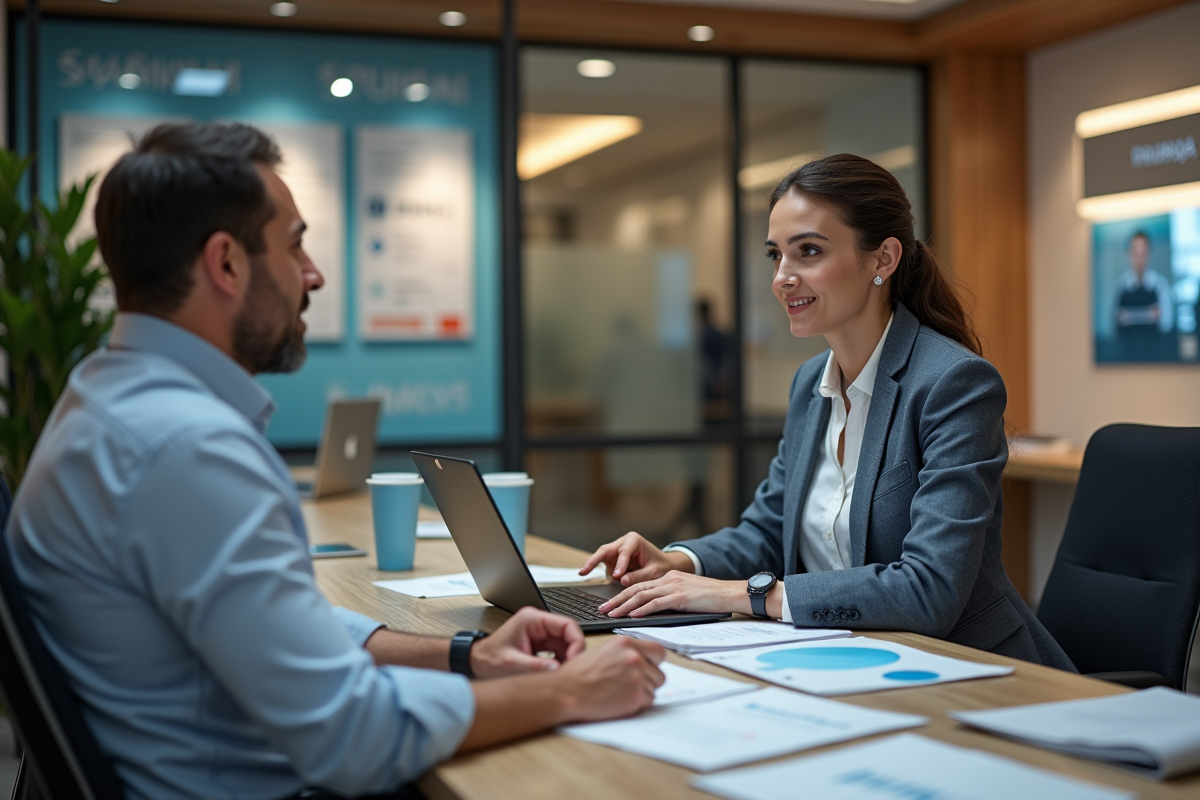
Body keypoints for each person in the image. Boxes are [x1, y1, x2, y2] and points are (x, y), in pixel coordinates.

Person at [6, 122, 666, 800]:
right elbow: (353, 739)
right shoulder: (189, 449)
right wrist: (570, 690)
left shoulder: (101, 397)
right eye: (295, 245)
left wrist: (467, 654)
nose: (314, 273)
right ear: (226, 263)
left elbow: (288, 628)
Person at [580, 153, 1074, 671]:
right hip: (846, 661)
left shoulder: (953, 385)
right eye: (776, 256)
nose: (782, 278)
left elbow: (930, 589)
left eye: (808, 252)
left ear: (883, 259)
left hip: (971, 671)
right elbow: (769, 531)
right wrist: (679, 562)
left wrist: (739, 595)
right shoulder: (808, 385)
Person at [1113, 230, 1173, 361]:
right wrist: (1148, 316)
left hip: (1155, 358)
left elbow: (1167, 324)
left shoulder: (1160, 285)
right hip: (1127, 359)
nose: (1140, 259)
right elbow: (1115, 325)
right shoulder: (1121, 287)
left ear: (1148, 254)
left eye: (1143, 254)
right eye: (1136, 254)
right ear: (1129, 255)